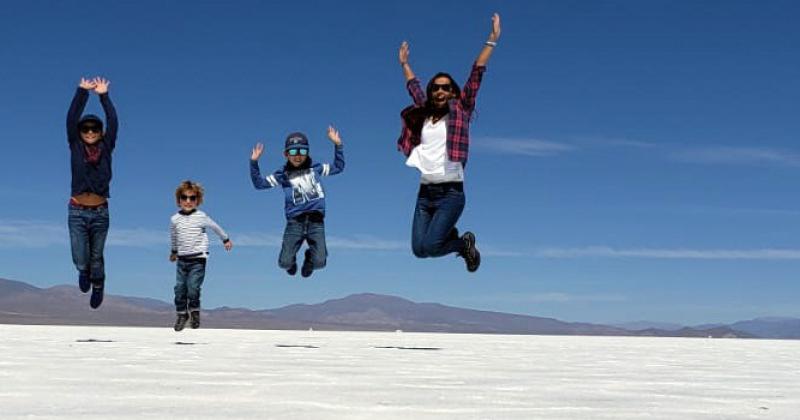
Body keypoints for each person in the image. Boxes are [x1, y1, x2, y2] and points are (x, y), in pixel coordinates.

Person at [396, 13, 501, 273]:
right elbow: (413, 87)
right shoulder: (424, 113)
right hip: (425, 194)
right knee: (419, 251)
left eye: (445, 87)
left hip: (450, 194)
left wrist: (491, 40)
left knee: (432, 246)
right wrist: (404, 64)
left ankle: (462, 244)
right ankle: (455, 239)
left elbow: (476, 74)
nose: (440, 91)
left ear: (453, 92)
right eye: (436, 88)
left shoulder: (460, 110)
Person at [250, 126, 345, 277]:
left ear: (307, 152)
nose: (298, 156)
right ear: (286, 154)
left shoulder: (316, 168)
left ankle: (309, 258)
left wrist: (338, 145)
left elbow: (339, 167)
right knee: (284, 263)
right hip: (295, 223)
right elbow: (259, 184)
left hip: (316, 222)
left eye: (302, 151)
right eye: (293, 152)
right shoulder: (283, 174)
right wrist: (254, 162)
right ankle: (291, 261)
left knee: (320, 262)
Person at [66, 77, 117, 308]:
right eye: (85, 129)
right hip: (76, 211)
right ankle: (83, 271)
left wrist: (104, 97)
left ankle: (99, 284)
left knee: (96, 257)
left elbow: (113, 122)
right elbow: (71, 118)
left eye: (94, 128)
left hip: (100, 212)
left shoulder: (107, 148)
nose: (89, 132)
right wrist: (82, 92)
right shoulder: (75, 146)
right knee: (80, 256)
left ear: (100, 132)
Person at [169, 181, 233, 331]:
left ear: (198, 200)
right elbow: (174, 236)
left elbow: (216, 227)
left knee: (193, 287)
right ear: (179, 200)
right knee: (179, 288)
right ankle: (182, 315)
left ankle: (195, 313)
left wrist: (225, 239)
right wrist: (173, 252)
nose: (188, 201)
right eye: (184, 198)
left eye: (192, 198)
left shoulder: (201, 216)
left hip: (198, 259)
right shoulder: (174, 219)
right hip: (182, 259)